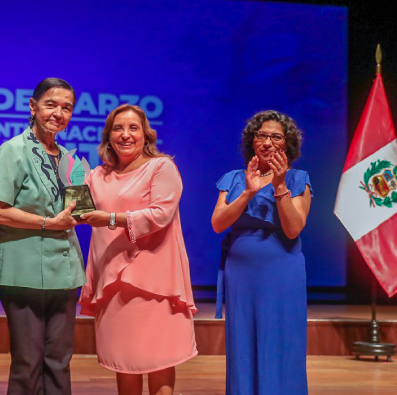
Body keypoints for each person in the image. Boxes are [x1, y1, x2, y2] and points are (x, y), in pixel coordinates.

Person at [79, 104, 198, 395]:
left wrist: (109, 219)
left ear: (146, 135)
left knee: (158, 361)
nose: (125, 134)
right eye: (118, 128)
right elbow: (77, 210)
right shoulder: (97, 176)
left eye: (133, 128)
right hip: (112, 284)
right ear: (108, 136)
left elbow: (160, 214)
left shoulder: (161, 168)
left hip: (154, 284)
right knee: (125, 364)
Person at [0, 78, 85, 395]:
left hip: (66, 273)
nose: (59, 112)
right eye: (51, 104)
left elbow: (78, 212)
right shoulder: (12, 150)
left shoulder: (71, 158)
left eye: (66, 107)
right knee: (28, 361)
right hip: (22, 270)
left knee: (59, 360)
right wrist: (47, 223)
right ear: (33, 106)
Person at [210, 110, 312, 395]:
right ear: (252, 141)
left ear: (287, 143)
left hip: (282, 272)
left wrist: (279, 186)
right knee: (242, 341)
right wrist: (247, 193)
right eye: (261, 135)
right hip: (240, 274)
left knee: (280, 340)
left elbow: (293, 229)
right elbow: (218, 223)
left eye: (276, 137)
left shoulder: (297, 179)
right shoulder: (233, 179)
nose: (267, 142)